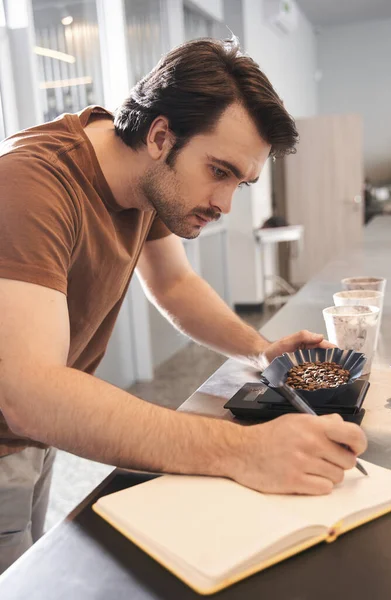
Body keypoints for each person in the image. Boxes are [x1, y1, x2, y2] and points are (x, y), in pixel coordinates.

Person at [0, 37, 367, 573]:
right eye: (219, 171)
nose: (224, 204)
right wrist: (245, 451)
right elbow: (30, 394)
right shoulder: (29, 186)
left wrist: (262, 350)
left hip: (32, 437)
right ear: (159, 135)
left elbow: (173, 285)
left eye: (240, 182)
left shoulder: (143, 177)